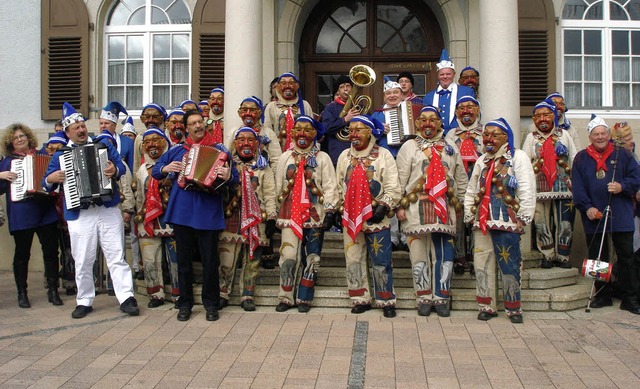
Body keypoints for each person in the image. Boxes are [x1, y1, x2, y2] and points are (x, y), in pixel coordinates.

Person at [43, 102, 139, 319]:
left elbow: (121, 167)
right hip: (80, 213)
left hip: (107, 207)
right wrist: (51, 178)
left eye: (82, 125)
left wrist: (114, 169)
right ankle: (84, 300)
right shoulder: (60, 155)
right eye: (75, 127)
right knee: (83, 258)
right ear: (67, 132)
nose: (80, 129)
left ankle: (126, 297)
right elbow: (45, 183)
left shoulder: (103, 143)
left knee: (116, 254)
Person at [152, 109, 235, 322]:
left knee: (210, 261)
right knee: (184, 261)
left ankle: (211, 304)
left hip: (207, 210)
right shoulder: (177, 149)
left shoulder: (219, 150)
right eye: (193, 123)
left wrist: (228, 174)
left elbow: (232, 177)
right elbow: (156, 170)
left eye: (200, 122)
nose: (198, 126)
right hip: (183, 211)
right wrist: (166, 168)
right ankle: (185, 303)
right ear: (186, 128)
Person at [396, 106, 468, 317]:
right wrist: (399, 206)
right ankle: (424, 297)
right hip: (415, 210)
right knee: (418, 256)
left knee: (444, 255)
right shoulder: (409, 147)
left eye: (433, 120)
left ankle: (442, 297)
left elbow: (461, 177)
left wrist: (462, 203)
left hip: (444, 210)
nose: (428, 124)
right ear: (417, 124)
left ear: (440, 123)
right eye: (423, 120)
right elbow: (400, 178)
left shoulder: (450, 146)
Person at [464, 118, 536, 323]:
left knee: (510, 264)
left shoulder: (518, 157)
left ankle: (513, 308)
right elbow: (472, 188)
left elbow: (527, 187)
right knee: (482, 264)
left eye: (494, 135)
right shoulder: (482, 160)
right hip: (482, 221)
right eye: (486, 135)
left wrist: (524, 216)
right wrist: (470, 212)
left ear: (506, 138)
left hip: (507, 221)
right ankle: (487, 305)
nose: (488, 139)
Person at [571, 114, 640, 314]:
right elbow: (578, 187)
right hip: (595, 214)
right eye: (596, 134)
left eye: (603, 133)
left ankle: (631, 297)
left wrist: (622, 186)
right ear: (590, 137)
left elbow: (636, 178)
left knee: (626, 256)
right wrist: (587, 207)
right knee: (598, 257)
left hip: (620, 212)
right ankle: (602, 294)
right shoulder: (581, 158)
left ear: (608, 135)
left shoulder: (623, 155)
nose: (600, 137)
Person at [335, 115, 401, 318]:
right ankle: (359, 298)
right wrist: (338, 209)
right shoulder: (344, 156)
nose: (354, 134)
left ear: (370, 132)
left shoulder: (384, 155)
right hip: (351, 218)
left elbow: (393, 186)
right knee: (353, 259)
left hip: (377, 217)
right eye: (351, 129)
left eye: (359, 129)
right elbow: (338, 187)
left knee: (381, 260)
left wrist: (384, 205)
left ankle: (385, 298)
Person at [274, 115, 338, 313]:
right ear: (292, 133)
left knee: (312, 257)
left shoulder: (322, 158)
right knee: (288, 255)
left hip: (315, 215)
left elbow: (330, 185)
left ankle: (304, 297)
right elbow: (278, 186)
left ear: (314, 134)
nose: (302, 134)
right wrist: (274, 213)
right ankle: (285, 296)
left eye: (307, 130)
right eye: (298, 129)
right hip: (289, 214)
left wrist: (330, 209)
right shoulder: (285, 157)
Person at [0, 123, 62, 308]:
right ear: (10, 143)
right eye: (15, 138)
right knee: (22, 254)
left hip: (45, 211)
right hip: (22, 212)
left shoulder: (43, 156)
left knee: (51, 252)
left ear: (28, 138)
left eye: (22, 136)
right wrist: (1, 176)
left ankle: (53, 290)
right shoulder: (6, 162)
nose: (19, 139)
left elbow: (54, 183)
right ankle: (22, 293)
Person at [218, 127, 277, 311]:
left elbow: (269, 194)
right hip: (232, 217)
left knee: (252, 261)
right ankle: (222, 293)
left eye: (250, 140)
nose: (246, 143)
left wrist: (272, 218)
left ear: (257, 144)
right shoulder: (225, 166)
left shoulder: (263, 168)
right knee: (226, 260)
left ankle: (247, 295)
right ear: (235, 144)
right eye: (241, 139)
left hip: (256, 219)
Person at [522, 100, 577, 268]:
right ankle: (547, 254)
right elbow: (524, 162)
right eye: (538, 116)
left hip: (563, 185)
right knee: (541, 222)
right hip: (539, 186)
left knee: (565, 223)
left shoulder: (564, 135)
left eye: (546, 115)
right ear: (533, 119)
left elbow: (575, 158)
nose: (542, 119)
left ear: (554, 116)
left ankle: (563, 255)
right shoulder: (531, 138)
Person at [133, 127, 178, 308]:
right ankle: (156, 293)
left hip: (170, 217)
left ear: (165, 143)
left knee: (175, 258)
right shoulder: (142, 170)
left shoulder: (174, 165)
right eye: (147, 141)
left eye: (156, 140)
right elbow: (138, 196)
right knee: (150, 259)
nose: (152, 144)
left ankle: (178, 293)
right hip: (148, 219)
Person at [445, 96, 484, 274]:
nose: (466, 111)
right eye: (461, 108)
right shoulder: (451, 134)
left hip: (478, 183)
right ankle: (459, 256)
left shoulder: (485, 132)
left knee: (476, 219)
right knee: (459, 218)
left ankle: (475, 256)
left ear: (477, 110)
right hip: (459, 183)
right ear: (456, 113)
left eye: (470, 107)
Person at [423, 49, 475, 134]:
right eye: (442, 74)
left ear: (454, 74)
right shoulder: (429, 97)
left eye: (448, 74)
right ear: (438, 76)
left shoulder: (466, 92)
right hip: (435, 138)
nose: (445, 77)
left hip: (460, 136)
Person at [263, 72, 314, 151]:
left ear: (297, 86)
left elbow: (311, 128)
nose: (287, 86)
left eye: (291, 83)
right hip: (278, 149)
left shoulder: (304, 105)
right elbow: (267, 131)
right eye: (283, 83)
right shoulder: (271, 106)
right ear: (278, 87)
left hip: (301, 149)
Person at [320, 75, 358, 166]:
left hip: (357, 151)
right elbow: (326, 127)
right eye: (342, 87)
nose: (345, 89)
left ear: (352, 88)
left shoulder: (360, 106)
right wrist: (345, 119)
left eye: (348, 86)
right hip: (337, 152)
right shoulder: (330, 108)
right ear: (338, 91)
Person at [99, 101, 135, 172]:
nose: (103, 126)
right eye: (101, 123)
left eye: (106, 123)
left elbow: (131, 167)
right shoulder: (93, 140)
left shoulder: (127, 142)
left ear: (114, 125)